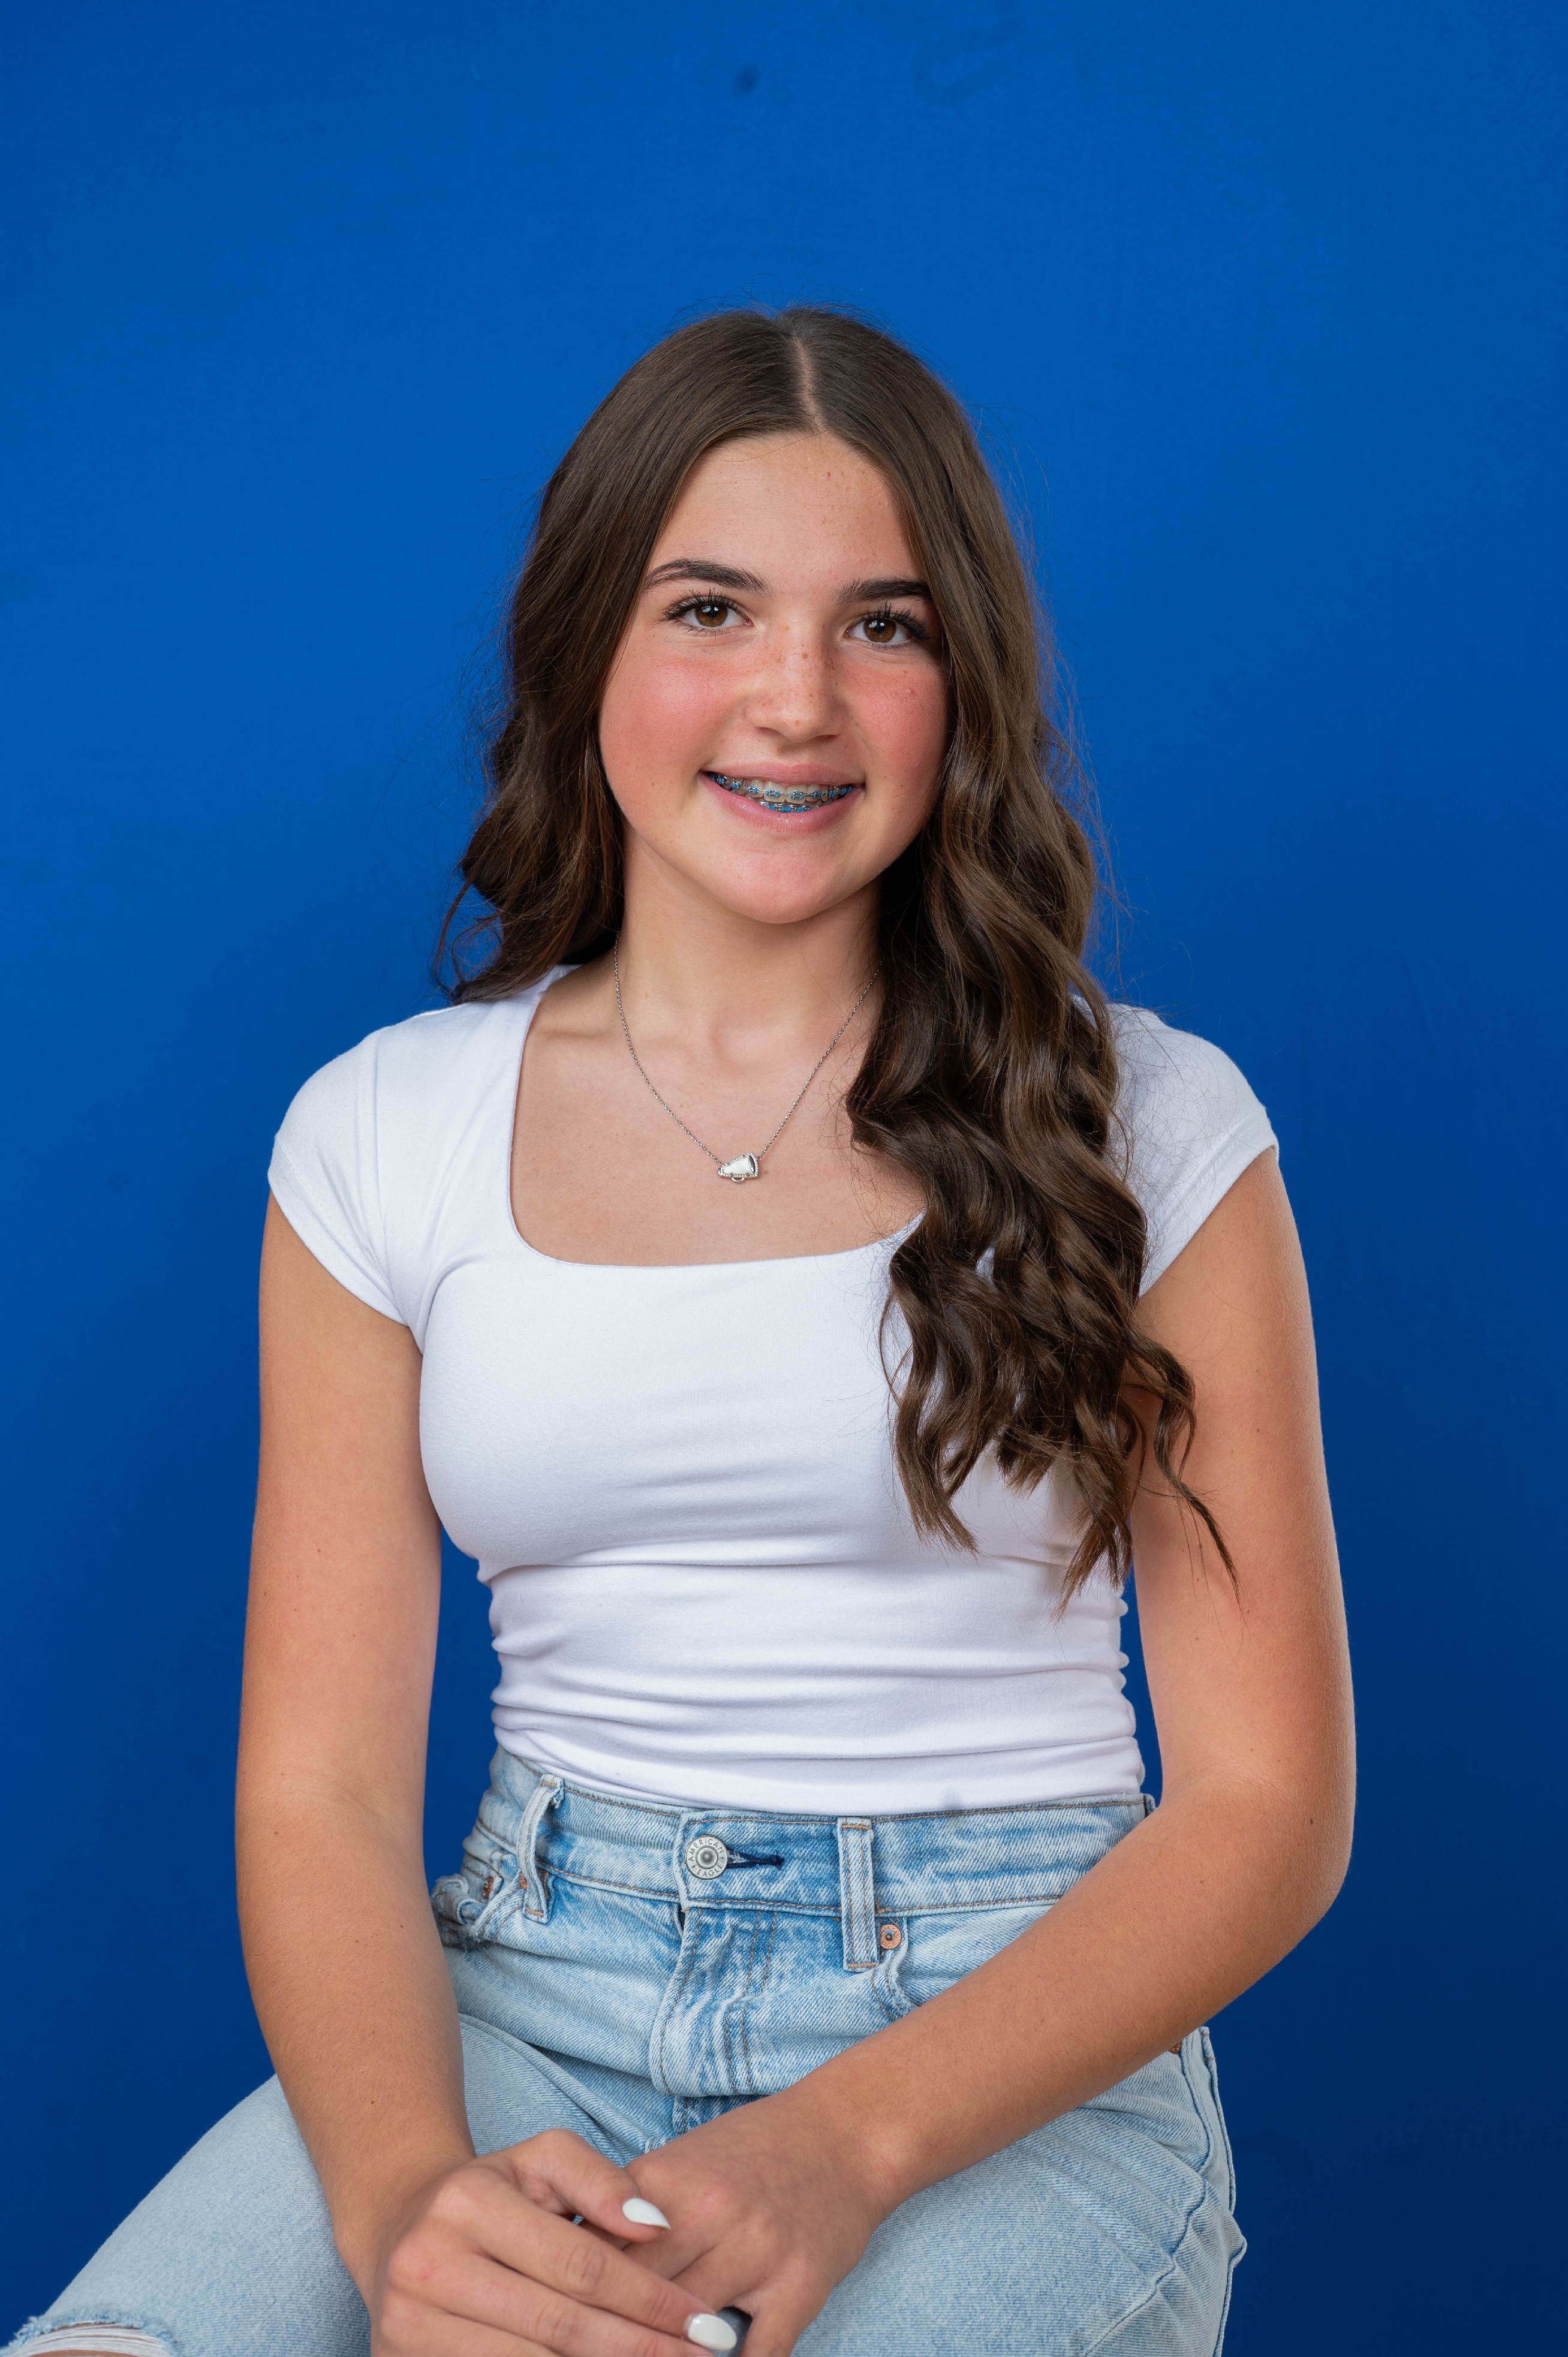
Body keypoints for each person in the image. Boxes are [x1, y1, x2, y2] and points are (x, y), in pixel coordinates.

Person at [10, 306, 1353, 2357]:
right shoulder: (380, 1136)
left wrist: (846, 2142)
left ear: (965, 686)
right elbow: (322, 1788)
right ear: (590, 656)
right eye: (710, 607)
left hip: (1006, 2052)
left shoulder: (1154, 1125)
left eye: (883, 625)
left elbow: (1267, 1803)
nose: (794, 699)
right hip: (521, 2001)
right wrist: (407, 2201)